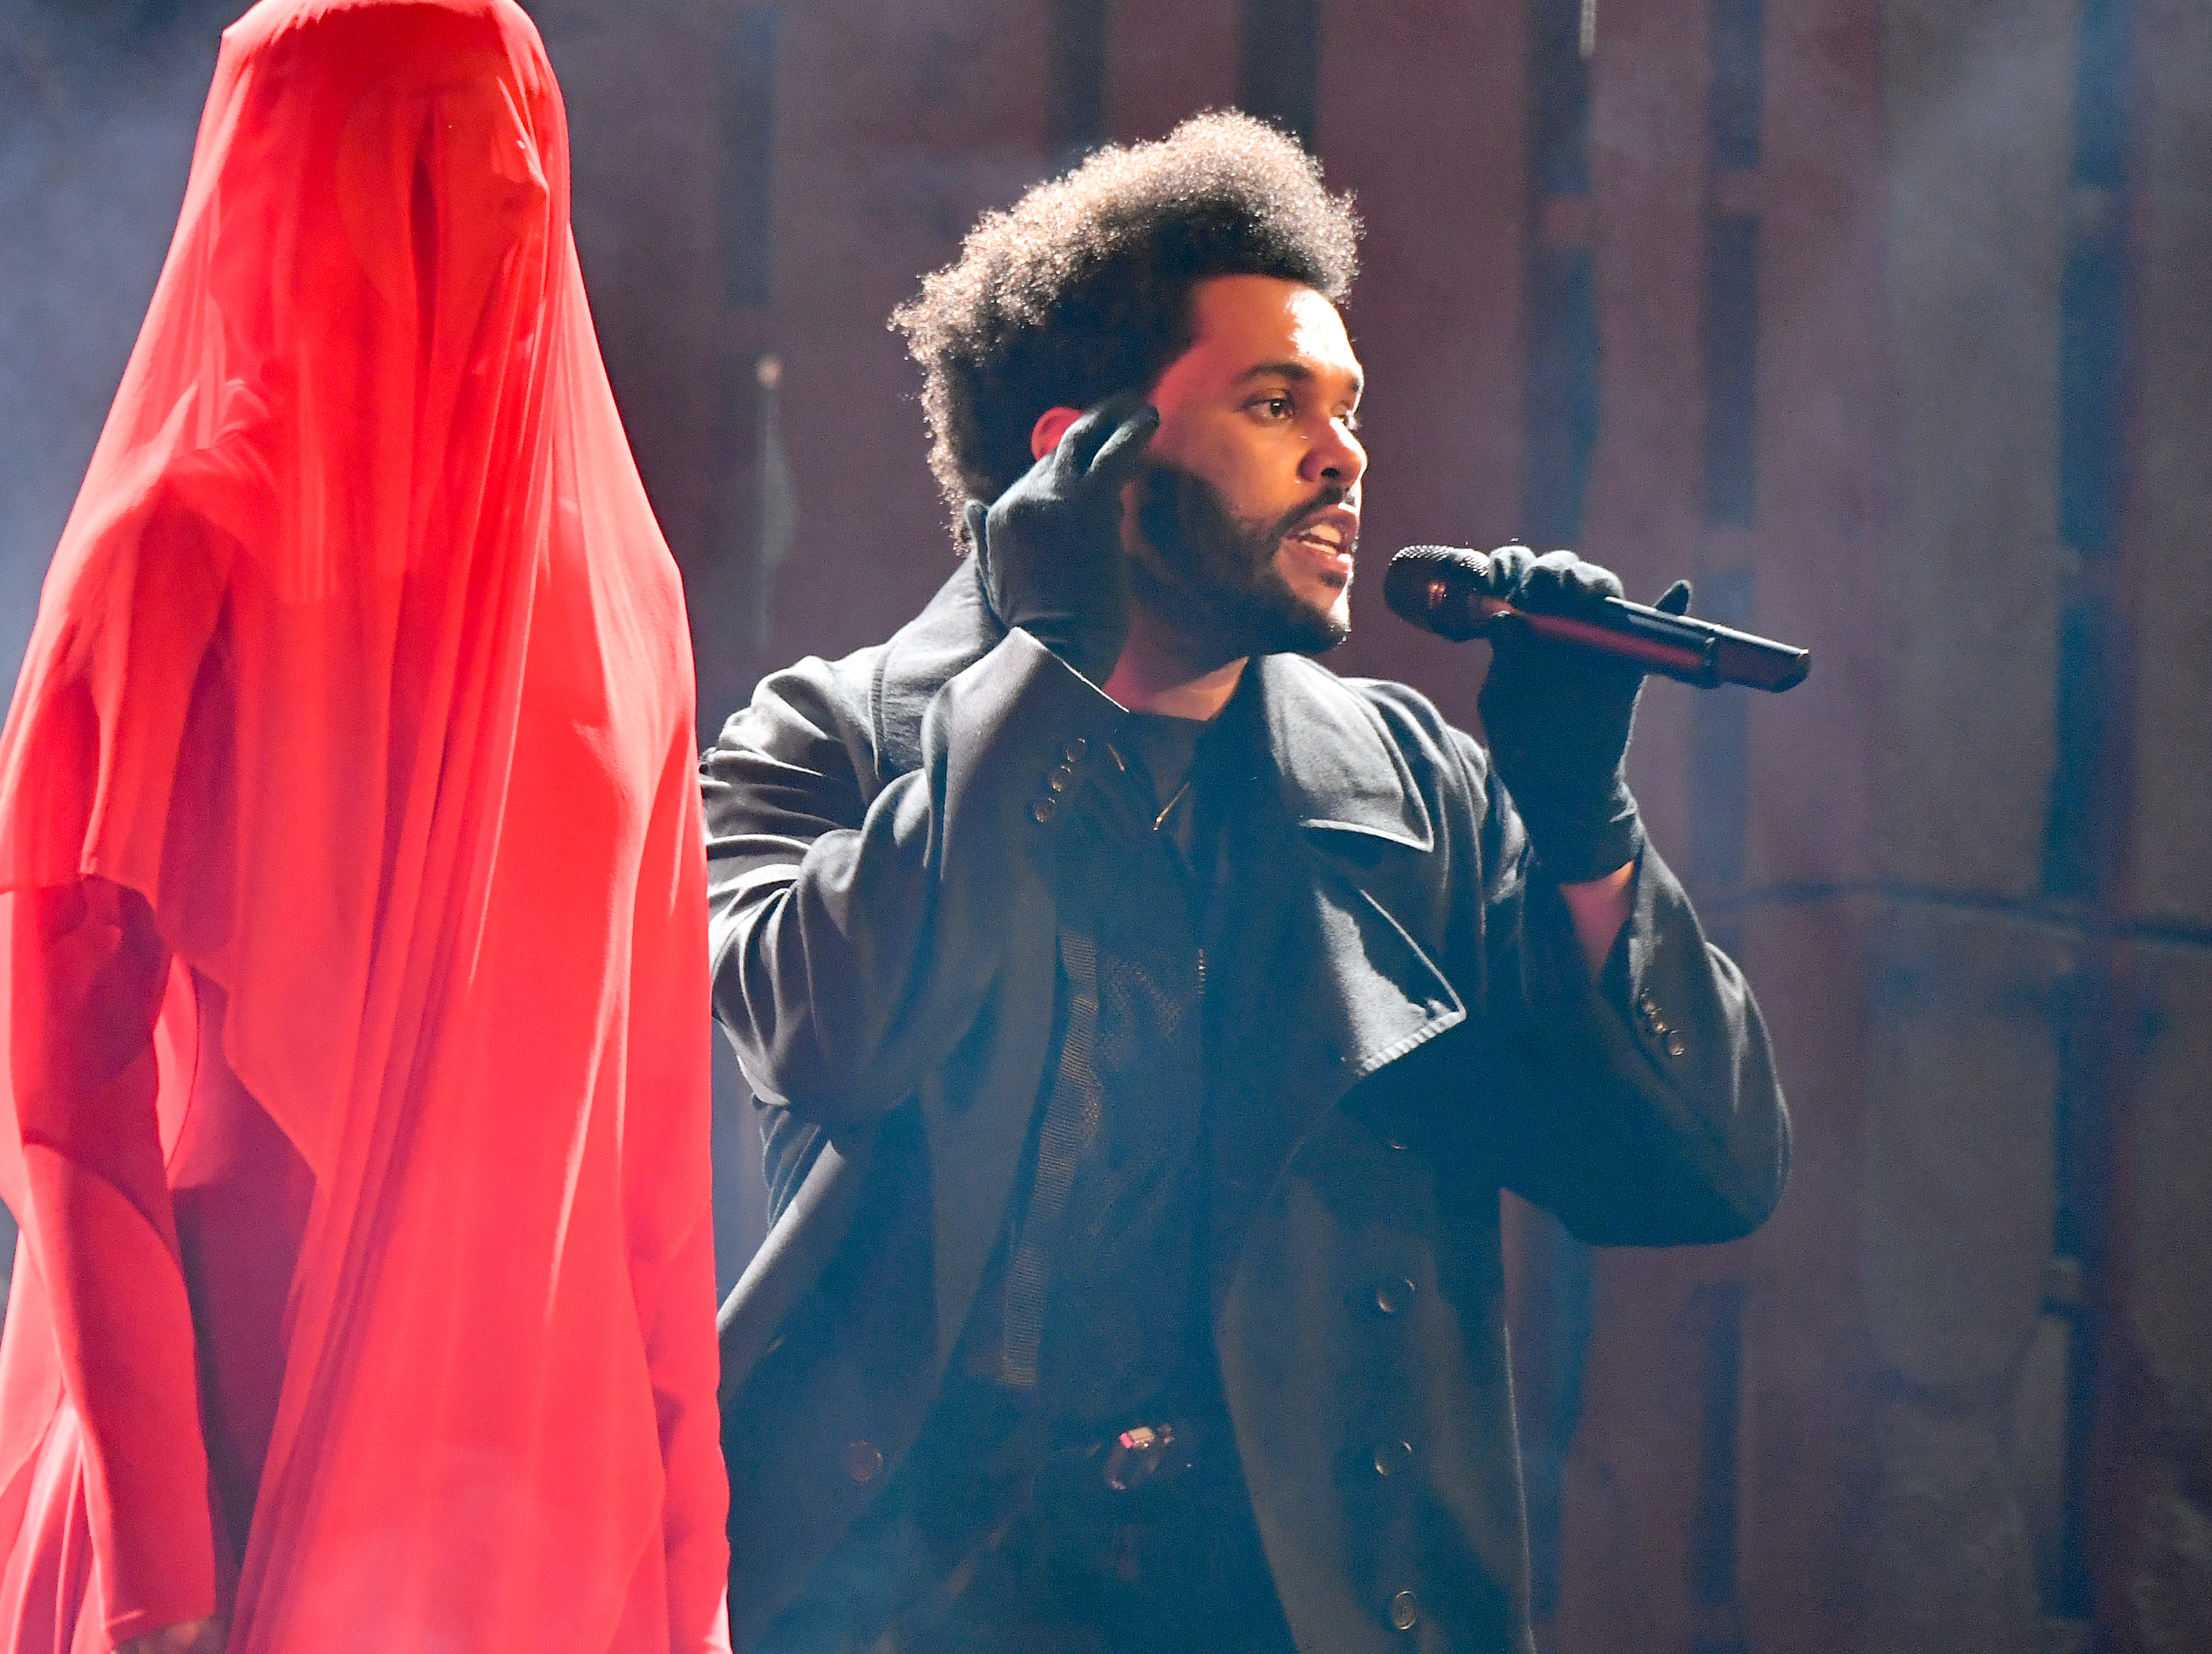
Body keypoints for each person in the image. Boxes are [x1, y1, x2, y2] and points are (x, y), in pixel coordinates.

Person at [702, 111, 1788, 1653]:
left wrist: (1578, 813)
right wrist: (1044, 665)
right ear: (1082, 459)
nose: (1340, 451)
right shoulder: (822, 742)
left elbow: (1695, 1177)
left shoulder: (1413, 795)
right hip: (913, 1606)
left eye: (1347, 407)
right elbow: (841, 1031)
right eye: (1275, 401)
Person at [0, 0, 729, 1654]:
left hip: (540, 1491)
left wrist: (692, 1571)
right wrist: (159, 1571)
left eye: (512, 159)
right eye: (421, 165)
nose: (491, 208)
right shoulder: (174, 560)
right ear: (294, 191)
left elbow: (658, 1146)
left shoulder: (625, 603)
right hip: (240, 1432)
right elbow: (75, 1098)